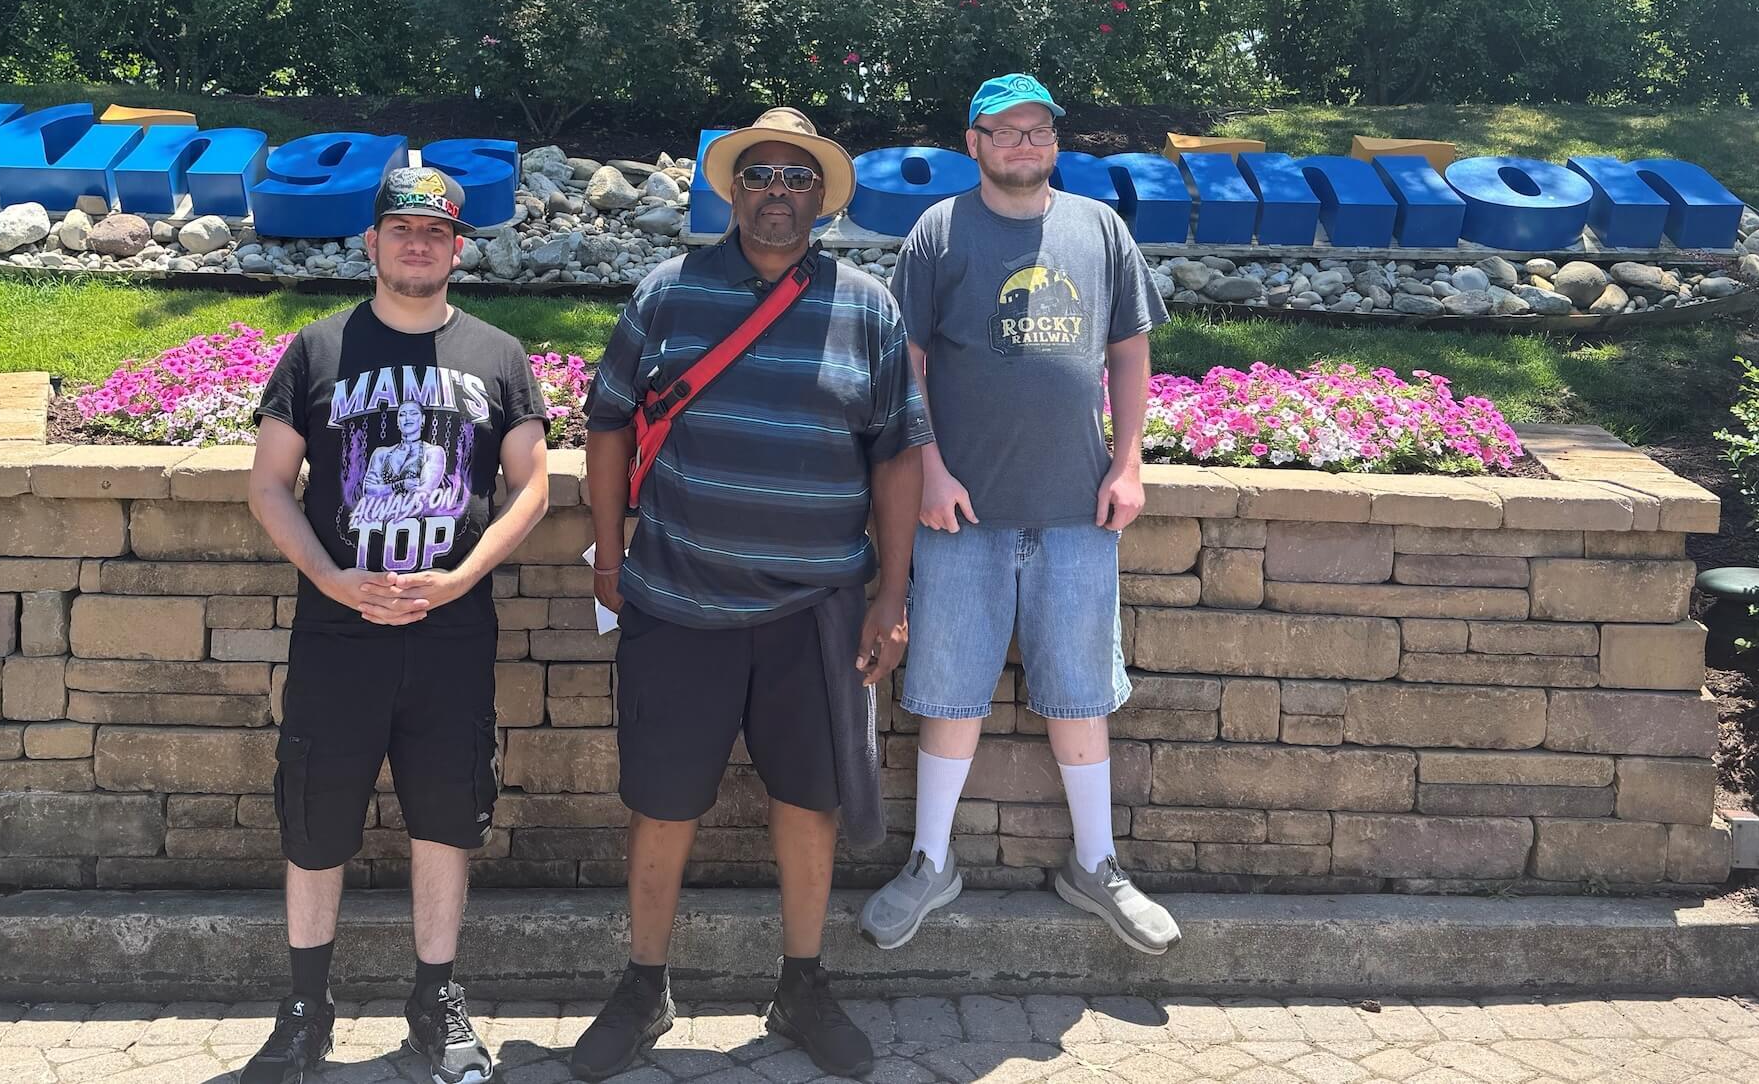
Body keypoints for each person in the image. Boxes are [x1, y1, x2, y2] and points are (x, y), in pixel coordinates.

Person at [573, 108, 930, 1081]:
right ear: (733, 190)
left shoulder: (868, 308)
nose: (778, 191)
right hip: (676, 604)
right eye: (760, 173)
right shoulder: (666, 294)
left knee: (808, 803)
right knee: (660, 803)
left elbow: (899, 455)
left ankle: (801, 983)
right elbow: (607, 423)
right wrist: (608, 552)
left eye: (797, 176)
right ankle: (643, 985)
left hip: (816, 613)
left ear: (820, 194)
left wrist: (891, 592)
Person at [858, 74, 1181, 956]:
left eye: (1037, 132)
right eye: (1003, 133)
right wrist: (929, 469)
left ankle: (1098, 864)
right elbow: (907, 360)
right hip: (960, 515)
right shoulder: (937, 233)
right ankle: (930, 862)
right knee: (948, 690)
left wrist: (1128, 463)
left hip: (1078, 511)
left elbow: (1128, 348)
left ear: (1055, 141)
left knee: (1080, 692)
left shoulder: (1100, 228)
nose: (1021, 146)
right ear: (974, 143)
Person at [243, 165, 551, 1084]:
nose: (418, 243)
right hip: (338, 633)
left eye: (436, 231)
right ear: (371, 243)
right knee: (314, 819)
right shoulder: (317, 350)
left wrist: (463, 575)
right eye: (401, 228)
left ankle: (435, 1000)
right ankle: (304, 1012)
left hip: (451, 633)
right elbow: (268, 484)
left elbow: (533, 485)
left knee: (447, 815)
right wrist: (333, 578)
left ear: (459, 248)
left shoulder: (498, 355)